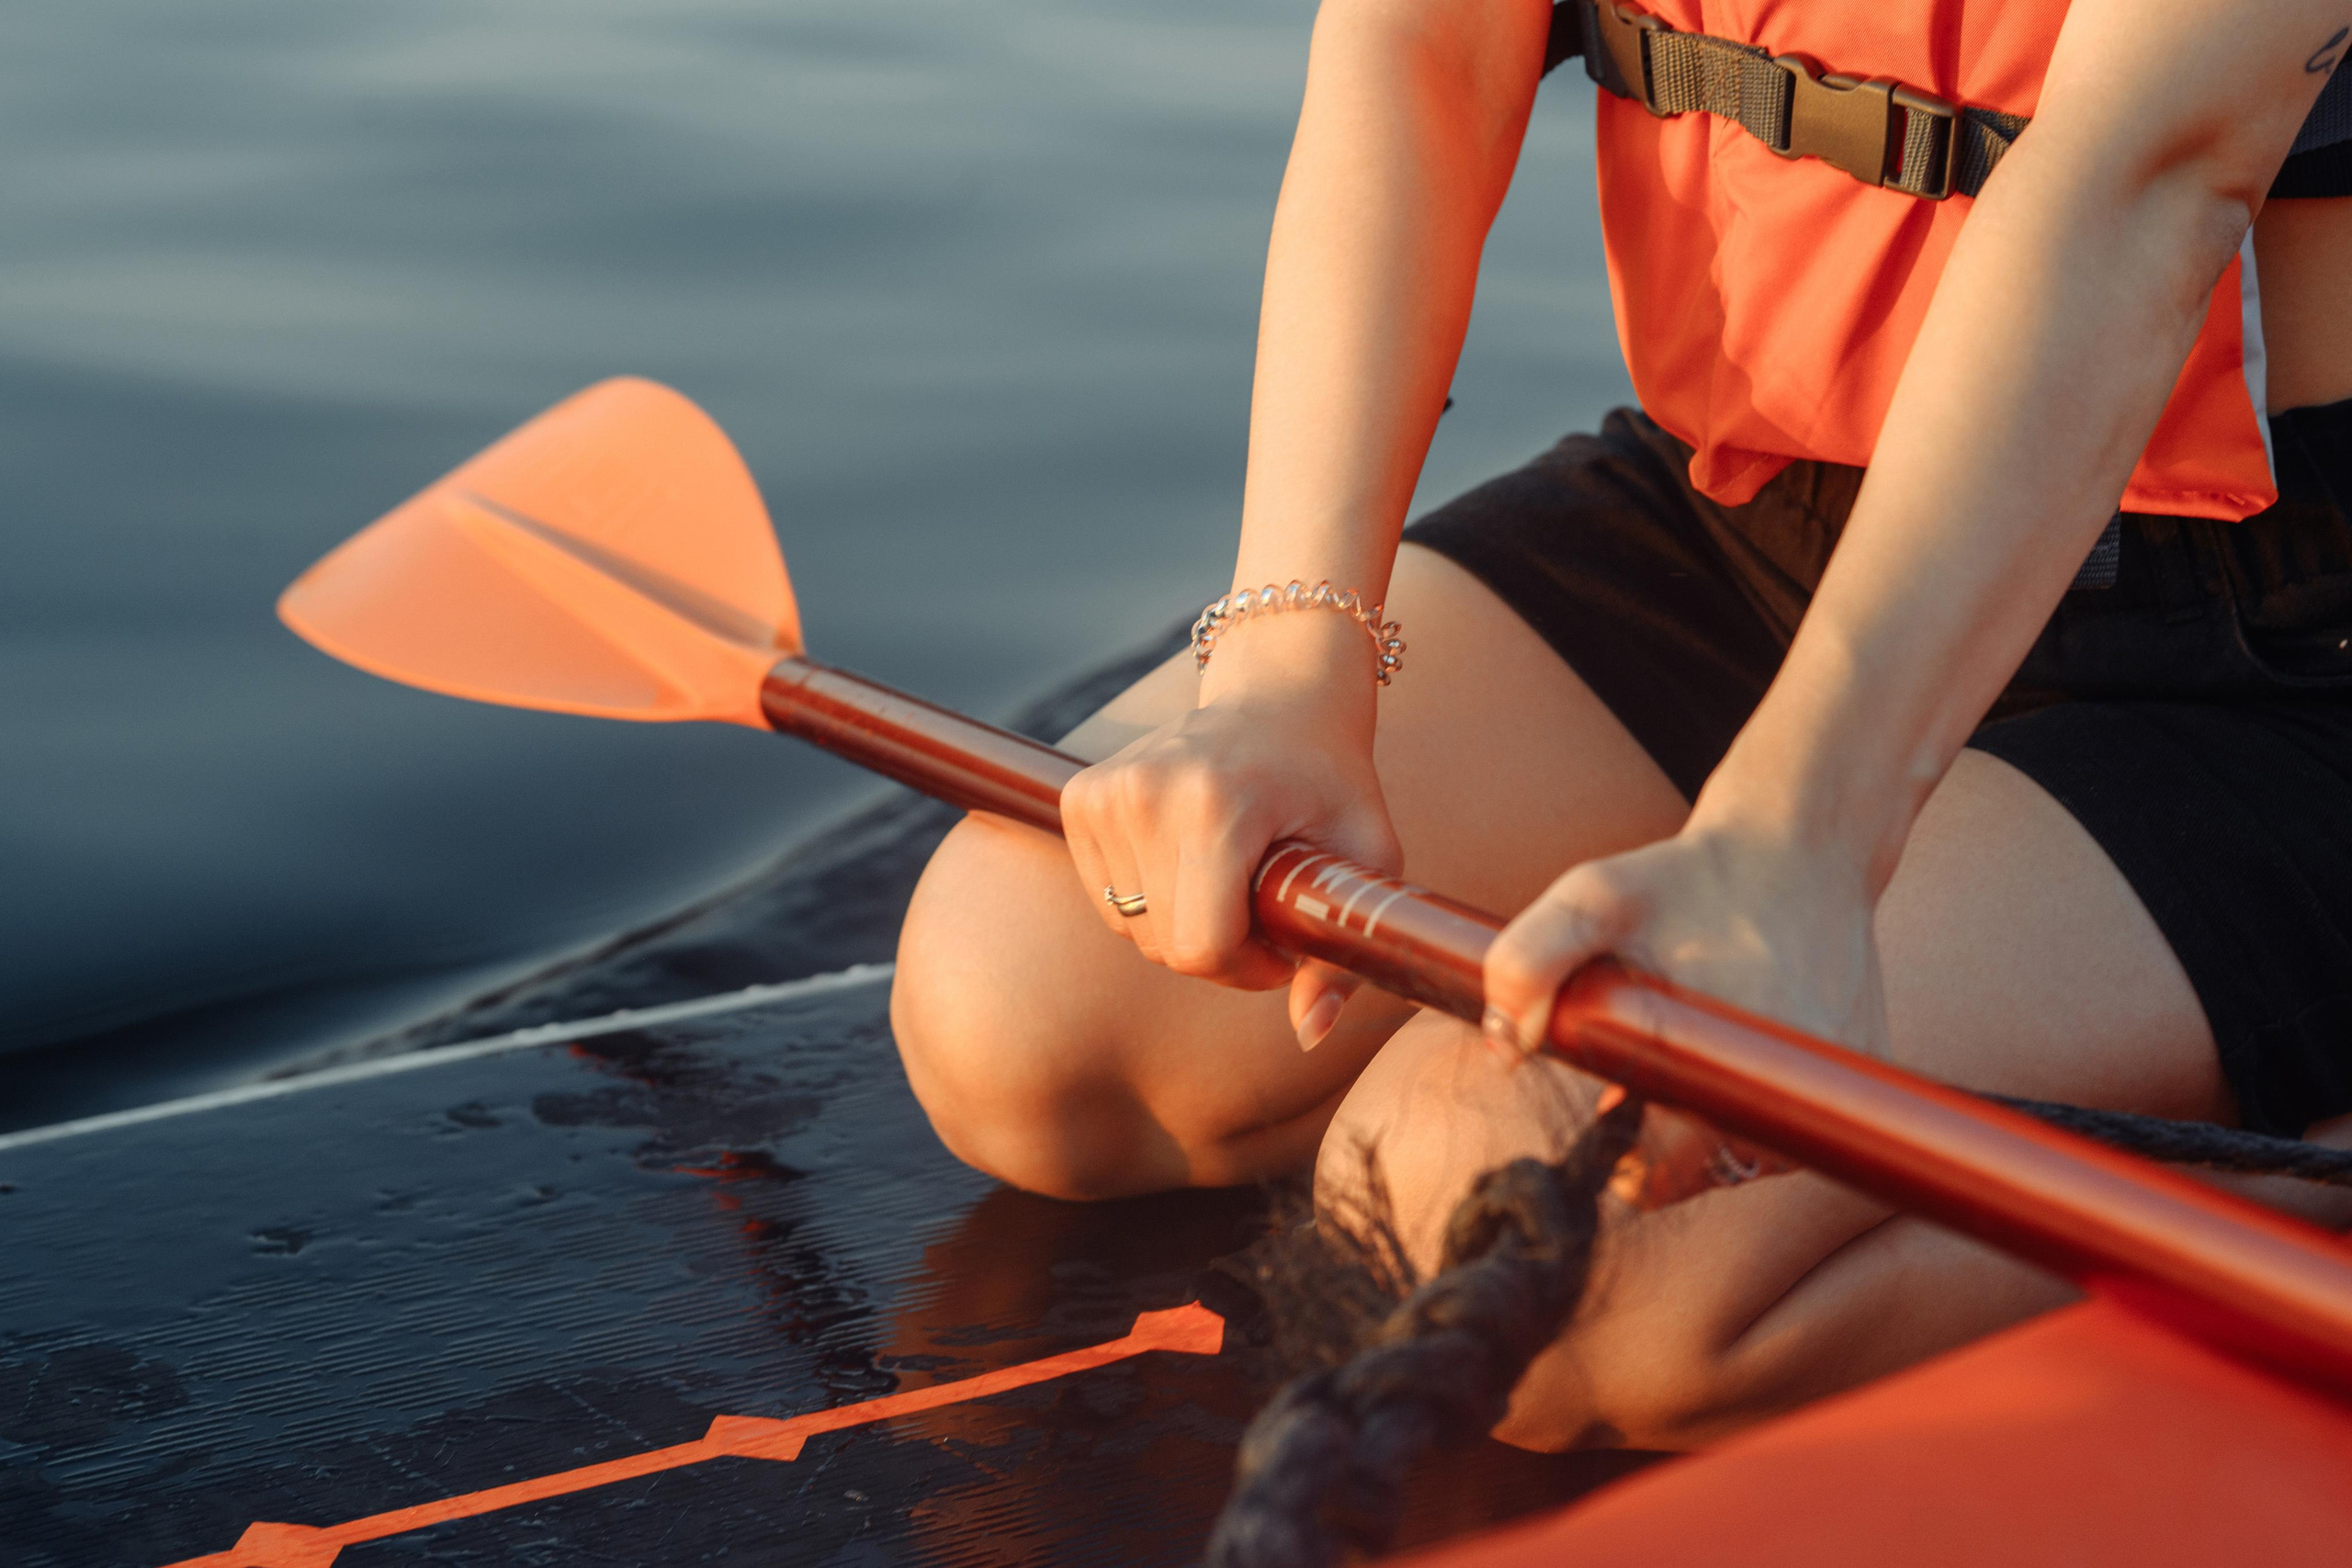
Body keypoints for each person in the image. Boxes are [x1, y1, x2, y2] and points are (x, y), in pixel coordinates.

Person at [889, 0, 2352, 1450]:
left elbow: (2142, 181)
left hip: (2280, 646)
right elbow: (1419, 54)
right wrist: (1291, 665)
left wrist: (1794, 844)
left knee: (1518, 1250)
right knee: (1016, 1007)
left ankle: (2308, 1172)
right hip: (1757, 511)